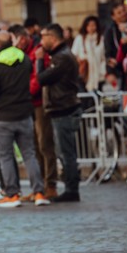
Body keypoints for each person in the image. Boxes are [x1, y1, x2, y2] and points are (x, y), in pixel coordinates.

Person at [0, 31, 50, 207]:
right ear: (12, 41)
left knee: (6, 157)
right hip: (25, 113)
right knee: (30, 155)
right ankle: (39, 192)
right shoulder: (25, 59)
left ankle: (12, 194)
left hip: (2, 116)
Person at [9, 24, 58, 200]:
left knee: (45, 143)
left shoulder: (37, 52)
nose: (13, 44)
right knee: (34, 146)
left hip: (38, 104)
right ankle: (40, 187)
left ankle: (50, 184)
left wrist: (24, 92)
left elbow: (37, 78)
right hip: (28, 104)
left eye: (14, 40)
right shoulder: (23, 54)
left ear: (21, 38)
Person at [36, 24, 83, 202]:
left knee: (67, 153)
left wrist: (39, 61)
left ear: (52, 37)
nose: (41, 42)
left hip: (65, 109)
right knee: (63, 152)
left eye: (43, 37)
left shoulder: (62, 58)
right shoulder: (59, 56)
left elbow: (42, 78)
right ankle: (71, 187)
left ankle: (72, 189)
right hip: (59, 109)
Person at [72, 15, 106, 92]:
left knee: (98, 95)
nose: (91, 28)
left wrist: (103, 71)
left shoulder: (101, 39)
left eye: (93, 25)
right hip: (84, 73)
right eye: (89, 25)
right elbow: (74, 54)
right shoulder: (80, 38)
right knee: (85, 97)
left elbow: (103, 56)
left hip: (98, 73)